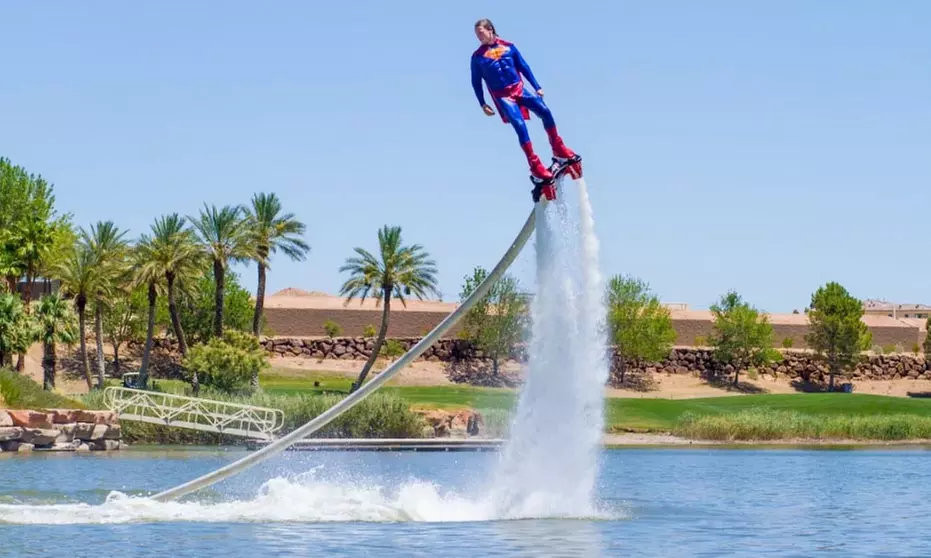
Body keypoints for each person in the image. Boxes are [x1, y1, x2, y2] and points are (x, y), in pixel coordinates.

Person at [470, 18, 580, 196]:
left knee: (545, 112)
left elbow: (524, 67)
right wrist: (482, 103)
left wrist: (537, 86)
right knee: (520, 126)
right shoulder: (477, 58)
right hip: (503, 96)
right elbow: (476, 82)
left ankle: (559, 149)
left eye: (480, 33)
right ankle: (535, 166)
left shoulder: (509, 46)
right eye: (476, 35)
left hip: (519, 89)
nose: (478, 37)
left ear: (490, 29)